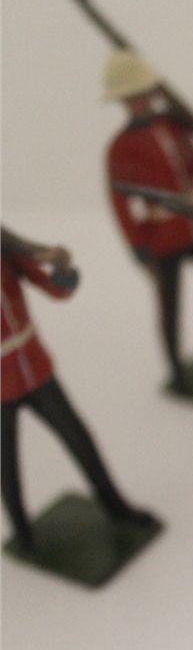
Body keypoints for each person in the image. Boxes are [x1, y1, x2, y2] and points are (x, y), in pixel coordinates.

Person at [2, 233, 159, 551]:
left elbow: (54, 288)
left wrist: (61, 269)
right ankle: (22, 530)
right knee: (6, 461)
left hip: (35, 370)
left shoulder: (6, 253)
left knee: (79, 438)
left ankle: (116, 507)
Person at [104, 49, 193, 391]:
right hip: (163, 238)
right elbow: (121, 205)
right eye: (132, 97)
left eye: (143, 94)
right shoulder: (120, 147)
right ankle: (177, 372)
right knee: (170, 309)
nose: (140, 102)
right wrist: (140, 248)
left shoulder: (172, 127)